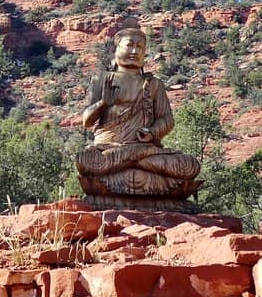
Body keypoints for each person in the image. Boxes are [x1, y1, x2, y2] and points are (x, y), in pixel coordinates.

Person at [76, 19, 201, 200]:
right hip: (111, 150)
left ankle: (132, 163)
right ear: (115, 49)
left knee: (189, 165)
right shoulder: (102, 80)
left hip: (144, 151)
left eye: (140, 47)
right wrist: (103, 103)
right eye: (129, 45)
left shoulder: (154, 84)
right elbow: (86, 121)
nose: (135, 51)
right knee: (86, 160)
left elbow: (167, 119)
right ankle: (138, 165)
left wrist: (152, 133)